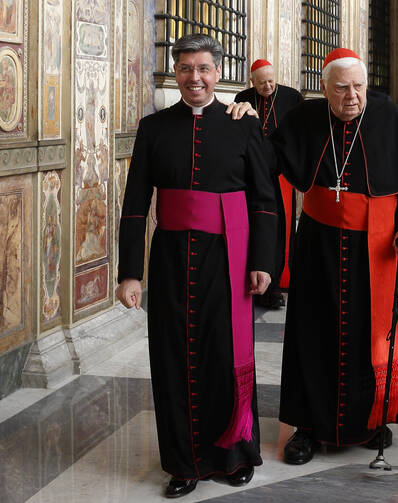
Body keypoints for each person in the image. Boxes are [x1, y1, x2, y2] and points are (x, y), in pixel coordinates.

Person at [116, 34, 277, 497]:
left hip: (229, 258)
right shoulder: (154, 127)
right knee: (172, 358)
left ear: (218, 72)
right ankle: (182, 464)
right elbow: (134, 204)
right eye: (185, 69)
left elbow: (265, 200)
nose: (195, 78)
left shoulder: (242, 124)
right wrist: (131, 273)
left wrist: (264, 262)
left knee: (226, 357)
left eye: (203, 68)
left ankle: (234, 456)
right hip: (169, 259)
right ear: (176, 72)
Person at [271, 48, 398, 465]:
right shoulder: (305, 120)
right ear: (324, 88)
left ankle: (373, 419)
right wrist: (241, 118)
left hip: (378, 250)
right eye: (341, 88)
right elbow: (266, 155)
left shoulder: (393, 121)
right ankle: (306, 427)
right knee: (312, 334)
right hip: (318, 248)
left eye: (358, 86)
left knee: (370, 334)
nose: (352, 96)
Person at [235, 59, 304, 309]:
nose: (268, 86)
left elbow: (300, 134)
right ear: (252, 82)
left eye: (271, 80)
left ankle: (275, 284)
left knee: (281, 227)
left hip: (281, 173)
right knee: (254, 225)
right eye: (262, 82)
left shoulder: (292, 97)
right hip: (250, 173)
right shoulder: (243, 97)